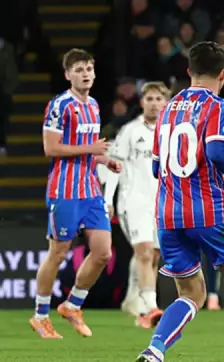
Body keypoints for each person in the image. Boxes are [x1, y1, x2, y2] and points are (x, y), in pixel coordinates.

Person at [136, 42, 224, 362]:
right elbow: (217, 151)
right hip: (208, 210)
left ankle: (155, 350)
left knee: (191, 293)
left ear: (189, 70)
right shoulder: (217, 105)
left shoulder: (167, 108)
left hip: (168, 213)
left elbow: (156, 167)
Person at [31, 49, 123, 339]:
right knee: (58, 253)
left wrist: (104, 160)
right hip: (65, 190)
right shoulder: (59, 105)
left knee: (103, 252)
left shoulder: (93, 105)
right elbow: (51, 148)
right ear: (67, 75)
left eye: (89, 69)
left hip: (90, 189)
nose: (86, 74)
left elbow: (87, 149)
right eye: (79, 70)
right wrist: (91, 149)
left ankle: (72, 305)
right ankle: (40, 315)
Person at [105, 82, 170, 327]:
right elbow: (115, 165)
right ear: (142, 102)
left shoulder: (171, 132)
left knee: (154, 256)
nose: (154, 104)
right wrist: (107, 199)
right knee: (144, 252)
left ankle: (137, 301)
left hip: (162, 203)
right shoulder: (130, 131)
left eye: (158, 99)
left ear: (166, 103)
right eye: (149, 99)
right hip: (134, 201)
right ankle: (150, 308)